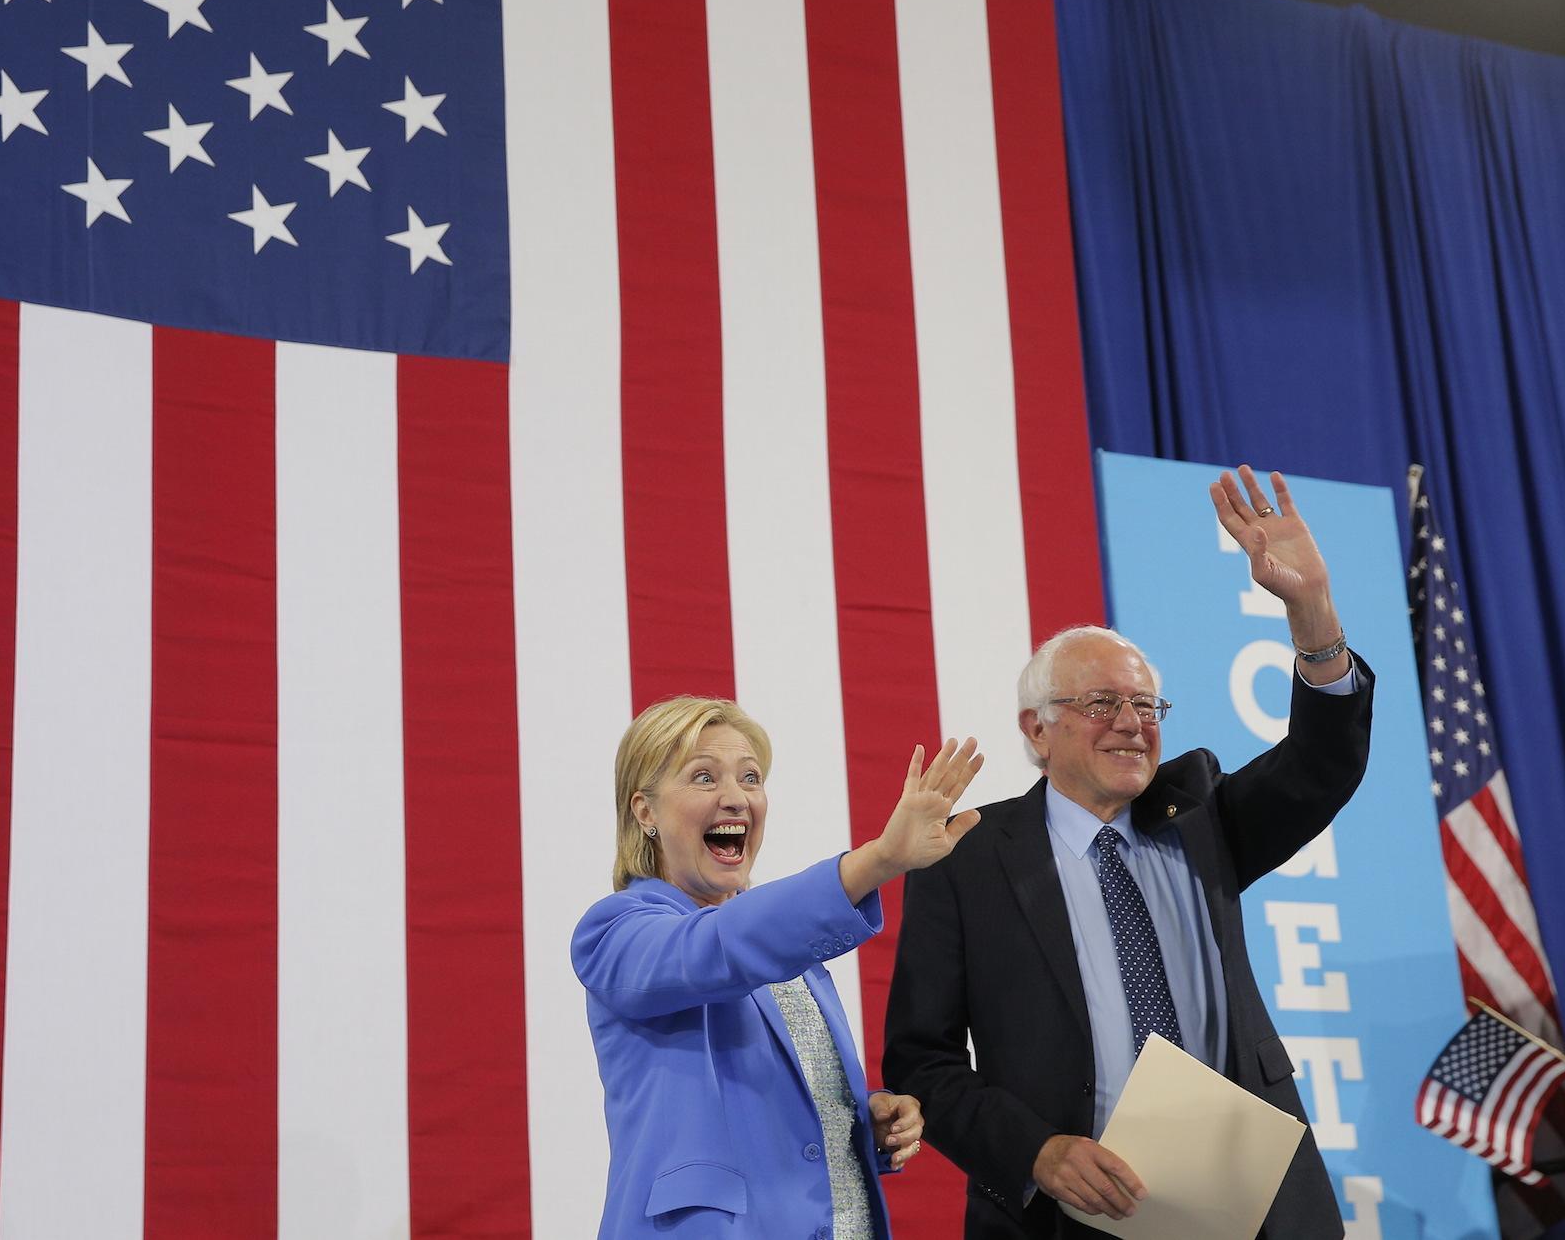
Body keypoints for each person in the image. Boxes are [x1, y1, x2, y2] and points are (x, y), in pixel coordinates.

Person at [884, 465, 1373, 1238]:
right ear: (1036, 729)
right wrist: (1037, 1151)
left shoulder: (1201, 813)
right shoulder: (966, 856)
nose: (1132, 723)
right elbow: (923, 1062)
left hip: (1250, 1210)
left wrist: (1311, 608)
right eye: (1102, 703)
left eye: (1147, 705)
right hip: (1068, 1216)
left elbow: (1322, 765)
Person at [573, 695, 986, 1239]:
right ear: (644, 810)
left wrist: (861, 1118)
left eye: (750, 777)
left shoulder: (793, 948)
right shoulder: (616, 932)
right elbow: (717, 948)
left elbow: (776, 1113)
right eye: (703, 778)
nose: (736, 799)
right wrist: (880, 859)